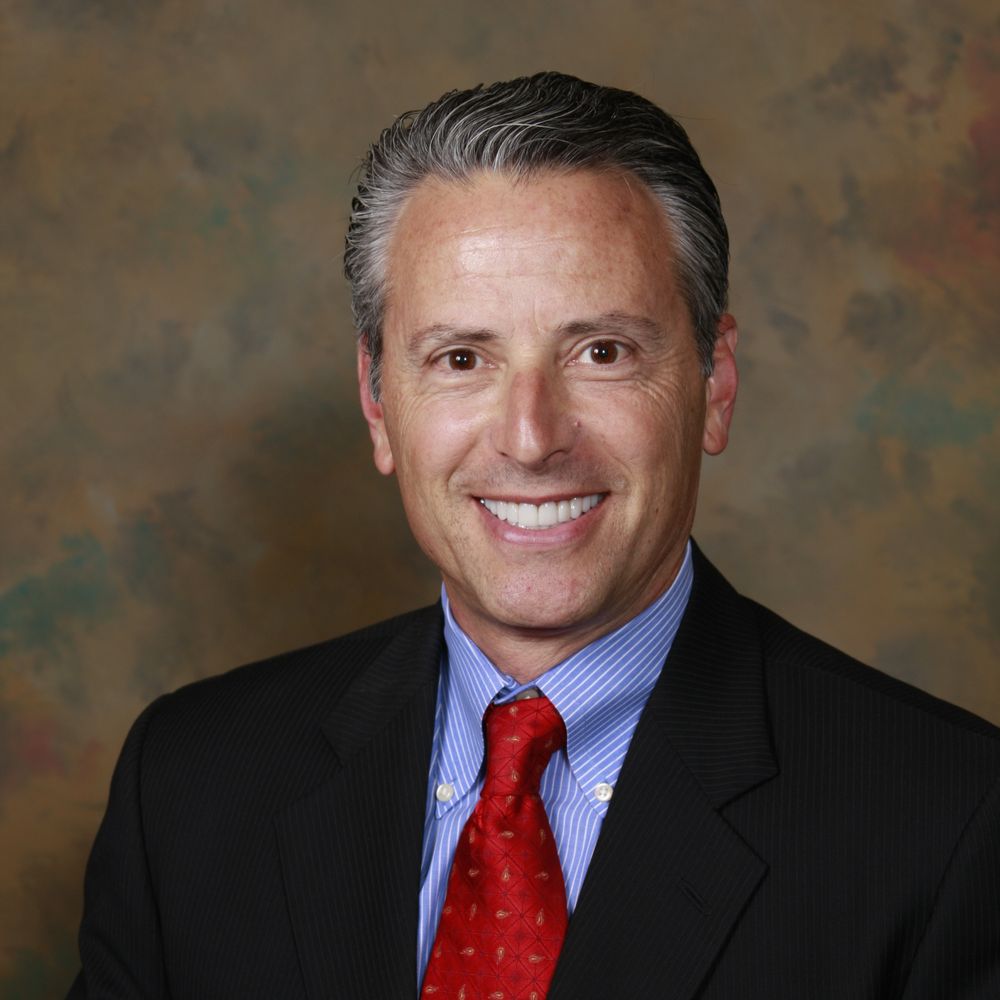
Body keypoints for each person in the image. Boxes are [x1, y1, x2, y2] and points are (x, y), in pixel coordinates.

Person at [70, 72, 1000, 999]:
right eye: (461, 358)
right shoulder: (190, 784)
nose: (530, 437)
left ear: (714, 384)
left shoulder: (949, 819)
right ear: (378, 402)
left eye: (602, 352)